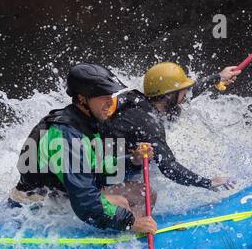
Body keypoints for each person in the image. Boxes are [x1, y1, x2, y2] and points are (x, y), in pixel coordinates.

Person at [11, 64, 158, 235]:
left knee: (146, 193)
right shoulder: (66, 135)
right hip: (37, 205)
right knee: (121, 203)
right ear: (82, 99)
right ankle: (126, 234)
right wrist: (130, 222)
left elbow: (99, 171)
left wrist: (133, 161)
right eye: (102, 96)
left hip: (64, 193)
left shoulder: (87, 123)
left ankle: (133, 236)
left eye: (110, 95)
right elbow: (86, 203)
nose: (110, 102)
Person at [105, 61, 241, 192]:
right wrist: (209, 182)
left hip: (110, 156)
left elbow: (190, 92)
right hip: (104, 173)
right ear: (169, 94)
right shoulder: (149, 124)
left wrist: (218, 77)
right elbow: (169, 168)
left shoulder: (147, 102)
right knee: (148, 193)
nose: (187, 93)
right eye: (183, 90)